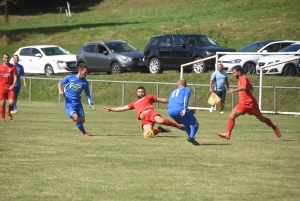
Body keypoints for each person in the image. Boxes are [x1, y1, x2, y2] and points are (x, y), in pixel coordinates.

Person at [218, 65, 281, 140]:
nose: (233, 74)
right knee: (231, 116)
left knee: (262, 119)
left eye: (234, 73)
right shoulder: (240, 79)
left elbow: (244, 87)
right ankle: (228, 134)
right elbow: (251, 87)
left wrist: (233, 90)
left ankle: (274, 127)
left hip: (250, 104)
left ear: (239, 72)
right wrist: (249, 92)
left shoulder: (243, 77)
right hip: (243, 104)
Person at [102, 86, 185, 136]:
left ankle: (179, 127)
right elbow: (122, 108)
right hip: (145, 119)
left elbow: (160, 100)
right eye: (139, 92)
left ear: (144, 92)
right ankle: (160, 130)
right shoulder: (134, 102)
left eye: (142, 92)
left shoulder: (148, 97)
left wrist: (172, 101)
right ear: (136, 93)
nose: (141, 93)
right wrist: (111, 109)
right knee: (148, 134)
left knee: (161, 121)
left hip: (150, 113)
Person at [58, 64, 95, 137]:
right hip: (69, 102)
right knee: (76, 117)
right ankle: (85, 133)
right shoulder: (70, 77)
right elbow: (60, 83)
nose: (86, 74)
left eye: (86, 73)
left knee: (82, 120)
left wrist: (90, 103)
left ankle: (76, 119)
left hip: (78, 103)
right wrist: (60, 90)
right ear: (80, 71)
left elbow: (88, 93)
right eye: (85, 72)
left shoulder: (84, 82)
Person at [167, 79, 200, 145]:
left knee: (186, 124)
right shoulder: (186, 89)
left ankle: (192, 139)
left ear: (177, 85)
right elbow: (186, 99)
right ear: (186, 85)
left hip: (170, 111)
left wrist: (189, 111)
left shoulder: (172, 92)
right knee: (195, 124)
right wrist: (185, 109)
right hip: (180, 109)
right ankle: (191, 137)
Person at [0, 53, 17, 121]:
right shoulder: (0, 67)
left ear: (9, 58)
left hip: (10, 87)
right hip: (2, 87)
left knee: (11, 102)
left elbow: (15, 77)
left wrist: (13, 85)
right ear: (3, 59)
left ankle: (9, 111)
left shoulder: (12, 67)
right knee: (3, 102)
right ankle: (3, 117)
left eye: (7, 58)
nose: (6, 59)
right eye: (5, 58)